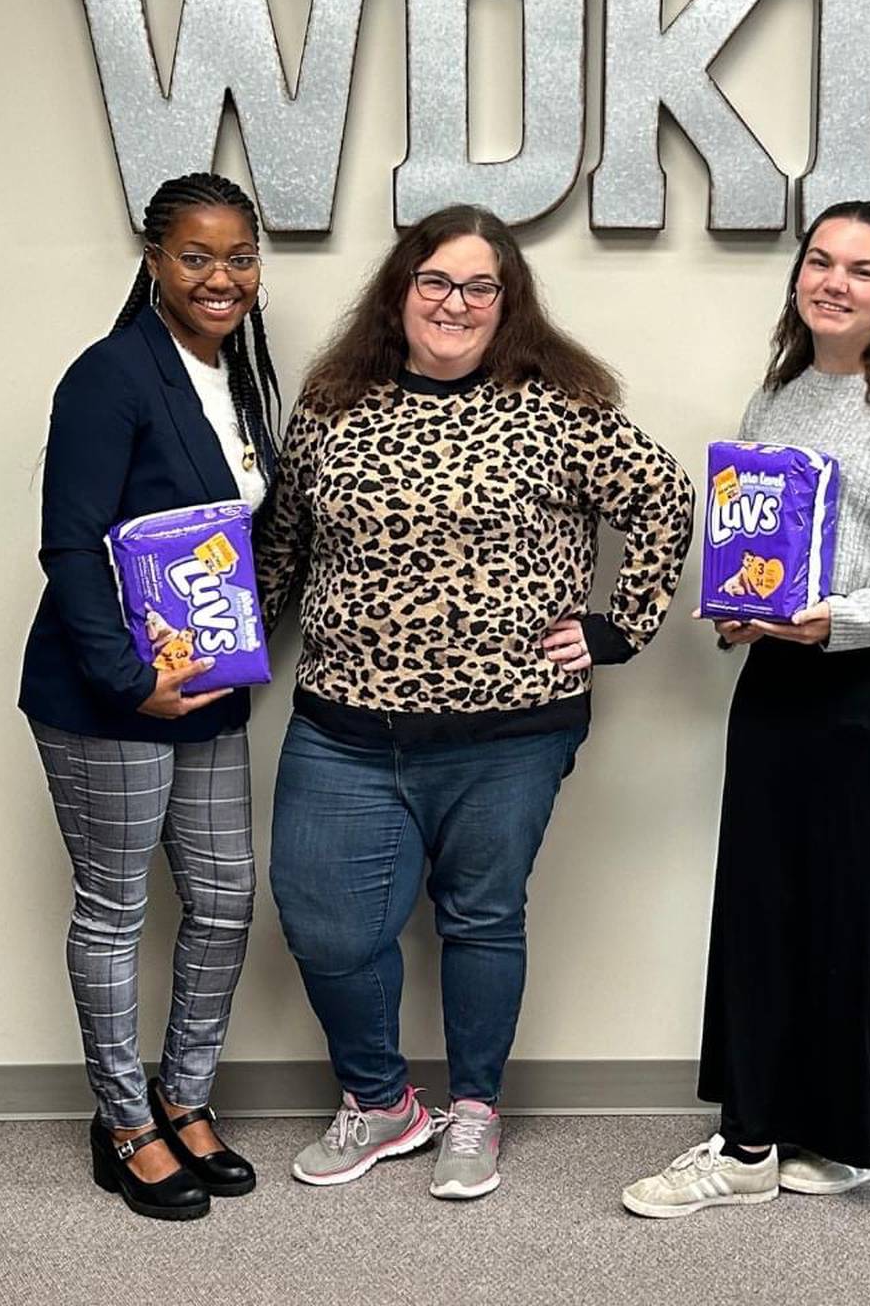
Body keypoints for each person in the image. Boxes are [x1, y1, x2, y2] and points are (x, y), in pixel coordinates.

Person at [255, 204, 695, 1201]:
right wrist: (223, 648)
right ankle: (380, 1101)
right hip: (342, 723)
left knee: (482, 918)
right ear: (401, 290)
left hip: (511, 729)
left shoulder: (560, 408)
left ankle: (476, 1111)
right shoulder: (332, 405)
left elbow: (664, 500)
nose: (454, 303)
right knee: (325, 922)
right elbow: (283, 542)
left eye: (479, 286)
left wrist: (618, 626)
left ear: (508, 303)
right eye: (435, 282)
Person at [622, 199, 870, 1218]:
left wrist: (844, 620)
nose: (835, 280)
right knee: (766, 902)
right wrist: (740, 616)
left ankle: (853, 1134)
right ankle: (751, 1136)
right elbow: (763, 550)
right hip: (781, 683)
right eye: (820, 261)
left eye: (861, 269)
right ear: (799, 279)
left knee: (862, 910)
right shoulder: (775, 397)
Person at [19, 172, 282, 1221]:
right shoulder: (110, 376)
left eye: (239, 257)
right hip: (106, 697)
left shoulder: (238, 377)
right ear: (153, 261)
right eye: (197, 256)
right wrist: (132, 681)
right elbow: (69, 545)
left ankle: (185, 1095)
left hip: (211, 689)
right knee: (117, 908)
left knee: (222, 901)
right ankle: (125, 1119)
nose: (221, 277)